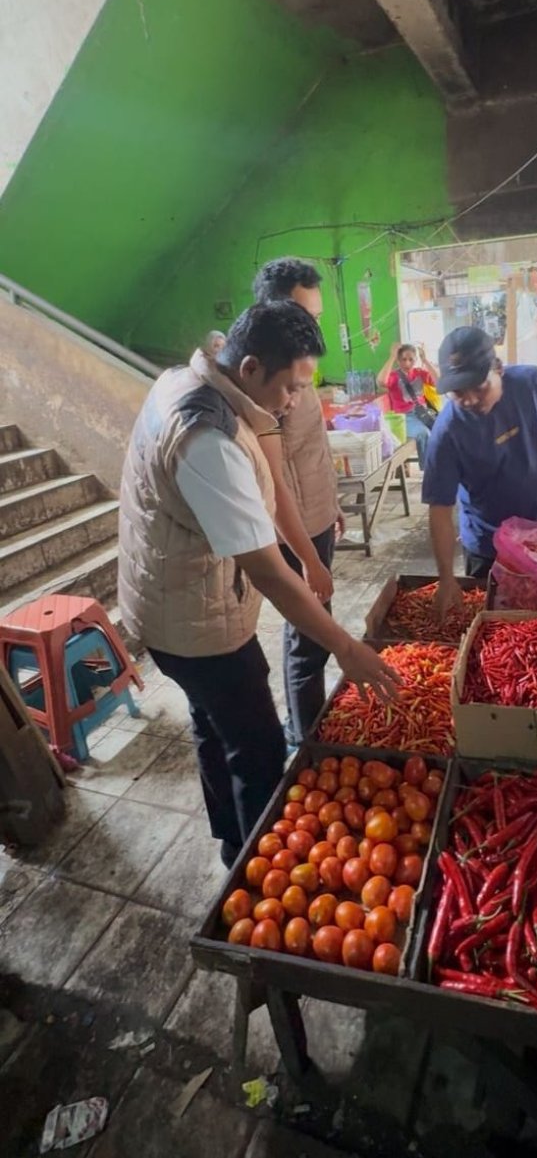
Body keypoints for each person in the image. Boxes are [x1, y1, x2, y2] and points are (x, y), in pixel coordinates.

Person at [118, 302, 399, 868]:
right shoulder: (208, 439)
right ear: (249, 367)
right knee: (259, 745)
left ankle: (231, 842)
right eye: (291, 387)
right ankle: (259, 867)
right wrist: (346, 648)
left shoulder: (190, 378)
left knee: (210, 719)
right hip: (192, 620)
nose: (294, 401)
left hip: (164, 597)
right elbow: (268, 572)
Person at [421, 327, 537, 621]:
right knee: (496, 628)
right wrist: (446, 578)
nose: (469, 399)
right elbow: (440, 509)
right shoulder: (447, 432)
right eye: (458, 392)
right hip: (490, 549)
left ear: (498, 369)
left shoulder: (533, 384)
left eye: (478, 387)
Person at [252, 257, 344, 750]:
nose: (313, 327)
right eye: (304, 315)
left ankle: (309, 721)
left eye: (317, 316)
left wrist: (332, 504)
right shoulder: (269, 383)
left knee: (315, 631)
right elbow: (274, 482)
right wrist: (309, 558)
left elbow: (310, 450)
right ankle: (306, 737)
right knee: (308, 636)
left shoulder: (299, 366)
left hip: (317, 517)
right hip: (295, 531)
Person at [377, 341, 439, 468]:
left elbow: (439, 381)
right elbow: (381, 382)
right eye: (403, 359)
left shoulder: (419, 373)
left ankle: (443, 466)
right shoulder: (394, 376)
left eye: (411, 359)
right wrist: (392, 356)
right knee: (423, 433)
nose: (407, 363)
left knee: (444, 430)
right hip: (405, 418)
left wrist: (425, 360)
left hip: (423, 414)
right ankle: (429, 470)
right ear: (398, 361)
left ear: (415, 360)